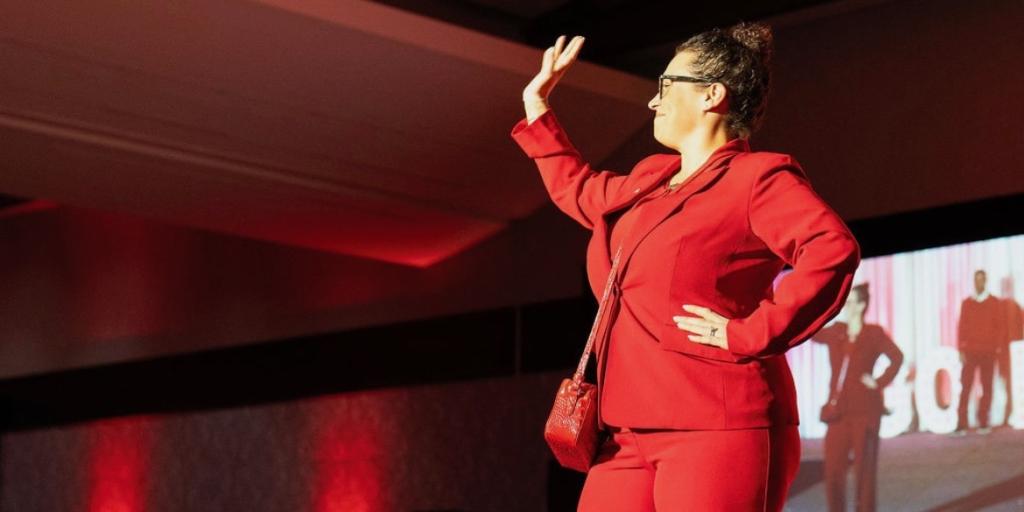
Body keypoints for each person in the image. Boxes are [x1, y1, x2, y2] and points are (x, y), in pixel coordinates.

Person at [511, 22, 860, 511]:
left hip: (714, 424)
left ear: (711, 95)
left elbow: (831, 249)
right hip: (624, 430)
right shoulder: (652, 179)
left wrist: (752, 333)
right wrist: (537, 106)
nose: (653, 102)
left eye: (665, 87)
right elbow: (580, 191)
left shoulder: (757, 178)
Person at [812, 283, 904, 512]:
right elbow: (811, 332)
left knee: (865, 473)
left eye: (851, 302)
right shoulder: (836, 332)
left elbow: (897, 357)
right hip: (838, 413)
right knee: (833, 472)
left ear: (862, 306)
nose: (846, 306)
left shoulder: (873, 333)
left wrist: (878, 382)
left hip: (866, 412)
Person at [956, 269, 1006, 433]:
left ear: (985, 281)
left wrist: (996, 348)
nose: (979, 283)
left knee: (987, 387)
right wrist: (961, 349)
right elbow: (962, 326)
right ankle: (961, 423)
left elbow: (999, 327)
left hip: (988, 351)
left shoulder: (994, 302)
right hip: (970, 351)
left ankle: (983, 421)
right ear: (974, 282)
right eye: (977, 280)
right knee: (966, 387)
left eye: (982, 280)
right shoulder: (967, 303)